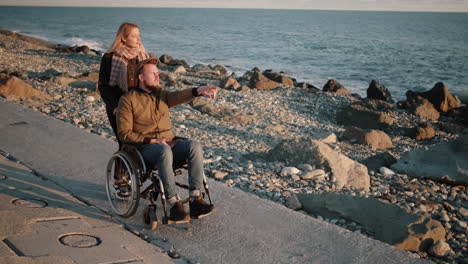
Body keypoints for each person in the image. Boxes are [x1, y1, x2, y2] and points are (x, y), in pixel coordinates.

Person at [116, 58, 219, 223]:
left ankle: (195, 200)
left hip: (169, 143)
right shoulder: (128, 100)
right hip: (144, 148)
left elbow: (178, 95)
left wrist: (199, 89)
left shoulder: (161, 94)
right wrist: (151, 140)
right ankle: (173, 203)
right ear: (141, 77)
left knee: (194, 146)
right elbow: (124, 134)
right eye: (153, 74)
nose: (158, 77)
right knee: (163, 150)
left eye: (158, 73)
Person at [98, 22, 149, 148]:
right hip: (119, 107)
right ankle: (120, 168)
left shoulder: (144, 57)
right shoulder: (110, 57)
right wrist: (115, 107)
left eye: (139, 35)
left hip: (140, 108)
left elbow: (151, 83)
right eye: (134, 36)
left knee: (142, 144)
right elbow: (103, 86)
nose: (138, 39)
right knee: (125, 144)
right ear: (123, 38)